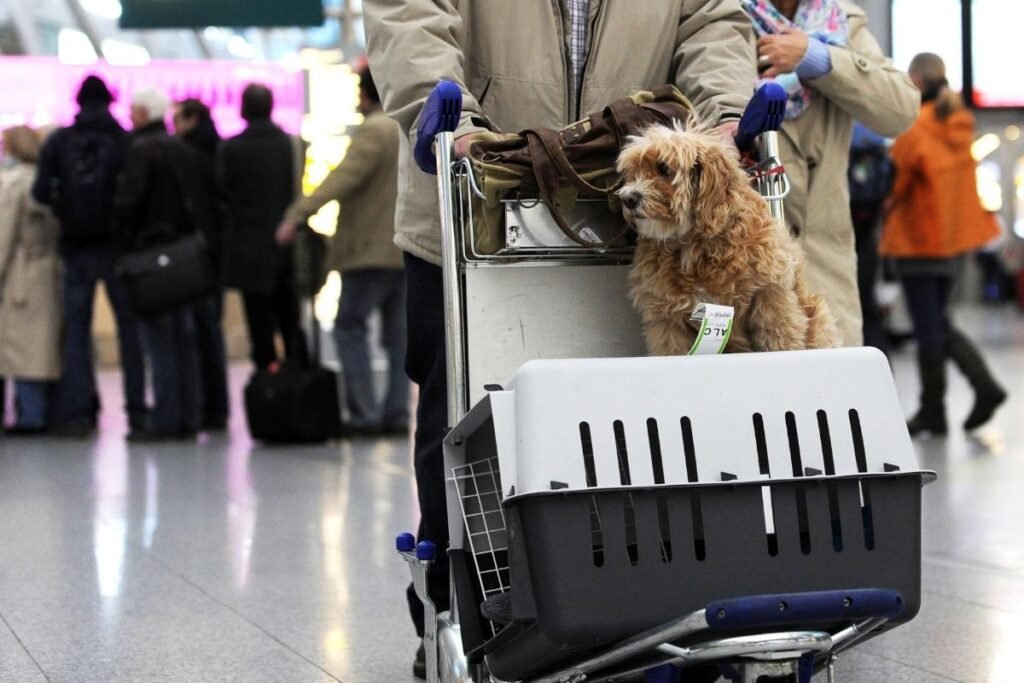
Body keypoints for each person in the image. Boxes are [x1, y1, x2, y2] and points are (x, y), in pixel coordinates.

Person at [364, 1, 756, 676]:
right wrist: (451, 119)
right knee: (463, 422)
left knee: (629, 422)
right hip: (469, 206)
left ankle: (630, 607)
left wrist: (722, 115)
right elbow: (409, 17)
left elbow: (713, 21)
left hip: (623, 211)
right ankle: (466, 608)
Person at [744, 0, 919, 345]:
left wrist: (815, 57)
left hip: (824, 265)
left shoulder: (840, 20)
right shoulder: (723, 14)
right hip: (745, 263)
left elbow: (900, 109)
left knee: (832, 391)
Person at [879, 52, 1007, 435]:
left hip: (918, 242)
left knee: (928, 326)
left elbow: (895, 186)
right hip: (953, 243)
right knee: (937, 320)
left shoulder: (914, 128)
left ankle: (938, 407)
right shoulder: (959, 124)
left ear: (916, 80)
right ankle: (980, 389)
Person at [276, 67, 408, 435]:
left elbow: (341, 180)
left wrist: (296, 214)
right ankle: (397, 413)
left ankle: (364, 413)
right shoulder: (406, 127)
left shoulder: (375, 130)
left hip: (368, 251)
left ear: (366, 94)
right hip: (403, 250)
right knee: (398, 337)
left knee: (348, 326)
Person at [32, 74, 147, 438]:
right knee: (130, 333)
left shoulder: (60, 141)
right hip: (118, 249)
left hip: (75, 247)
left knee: (77, 334)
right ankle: (137, 411)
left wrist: (65, 209)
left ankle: (79, 413)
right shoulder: (125, 142)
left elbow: (40, 192)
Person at [113, 86, 210, 441]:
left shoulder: (140, 151)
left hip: (151, 259)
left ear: (142, 113)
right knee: (184, 337)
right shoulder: (182, 149)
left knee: (158, 340)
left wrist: (122, 243)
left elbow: (129, 204)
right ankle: (190, 414)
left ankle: (165, 417)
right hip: (185, 256)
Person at [217, 84, 308, 372]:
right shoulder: (291, 144)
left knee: (259, 326)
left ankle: (268, 384)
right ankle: (298, 382)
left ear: (242, 108)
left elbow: (223, 194)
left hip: (247, 249)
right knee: (291, 323)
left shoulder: (230, 148)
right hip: (286, 248)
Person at [173, 98, 230, 431]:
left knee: (195, 330)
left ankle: (198, 407)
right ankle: (217, 407)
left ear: (191, 118)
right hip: (215, 251)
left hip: (194, 252)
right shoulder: (220, 148)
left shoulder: (186, 154)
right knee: (211, 330)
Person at [0, 126, 61, 435]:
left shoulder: (12, 183)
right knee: (42, 349)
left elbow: (3, 235)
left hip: (19, 275)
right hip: (49, 270)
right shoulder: (47, 179)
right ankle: (44, 413)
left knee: (21, 352)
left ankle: (30, 417)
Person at [848, 122, 894, 354]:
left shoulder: (844, 130)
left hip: (843, 225)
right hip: (869, 227)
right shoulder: (875, 136)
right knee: (867, 301)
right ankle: (883, 370)